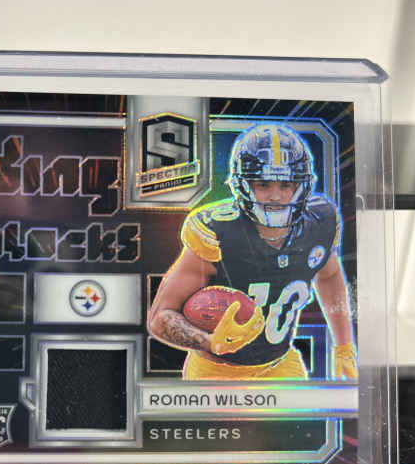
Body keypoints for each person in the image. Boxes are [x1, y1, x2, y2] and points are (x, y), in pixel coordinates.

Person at [147, 123, 357, 381]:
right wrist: (208, 341)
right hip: (215, 370)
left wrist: (344, 346)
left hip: (279, 364)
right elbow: (161, 317)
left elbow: (329, 276)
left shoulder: (319, 221)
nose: (275, 196)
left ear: (302, 186)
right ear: (243, 185)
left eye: (286, 185)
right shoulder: (217, 233)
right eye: (263, 184)